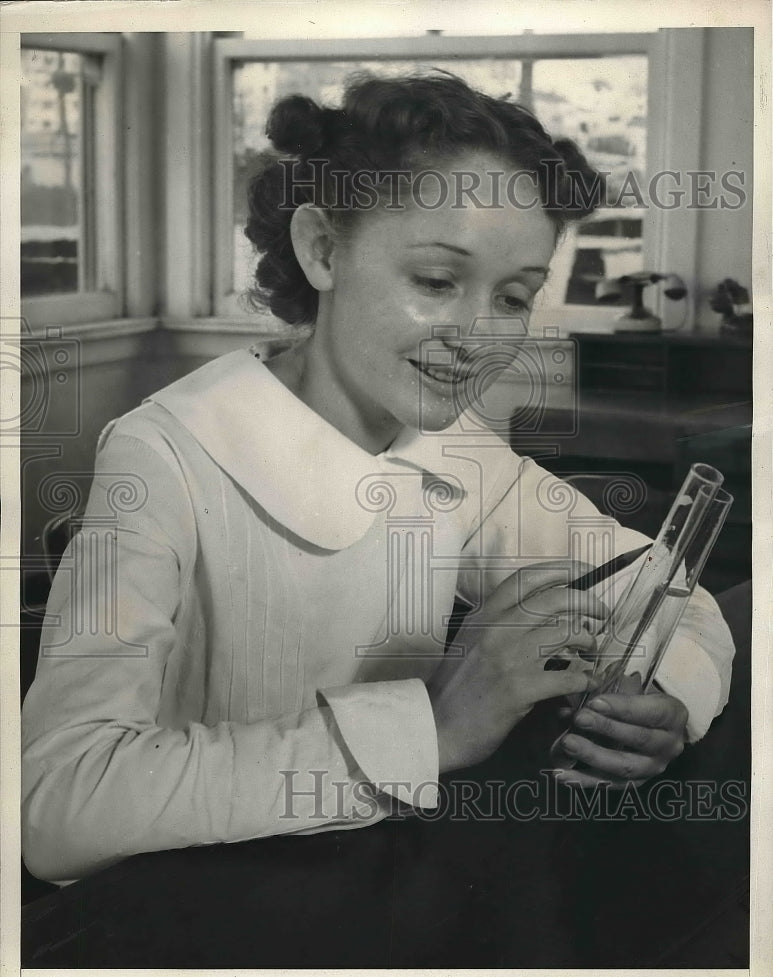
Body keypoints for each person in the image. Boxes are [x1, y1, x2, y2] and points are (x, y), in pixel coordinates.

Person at [21, 73, 734, 883]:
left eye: (511, 296)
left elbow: (676, 596)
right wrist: (432, 729)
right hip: (200, 917)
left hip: (385, 881)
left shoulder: (459, 452)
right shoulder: (165, 454)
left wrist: (666, 703)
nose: (474, 336)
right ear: (323, 248)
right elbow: (56, 802)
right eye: (435, 282)